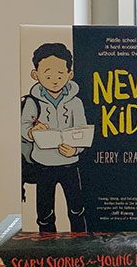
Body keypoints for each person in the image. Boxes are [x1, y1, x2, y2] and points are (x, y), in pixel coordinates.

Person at [21, 43, 88, 233]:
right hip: (43, 164)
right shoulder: (33, 102)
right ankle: (45, 244)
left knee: (77, 209)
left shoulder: (76, 102)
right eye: (48, 75)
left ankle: (81, 242)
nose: (54, 80)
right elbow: (24, 126)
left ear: (70, 74)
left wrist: (76, 149)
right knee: (44, 212)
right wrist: (33, 131)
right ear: (36, 75)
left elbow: (82, 130)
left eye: (60, 75)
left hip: (70, 163)